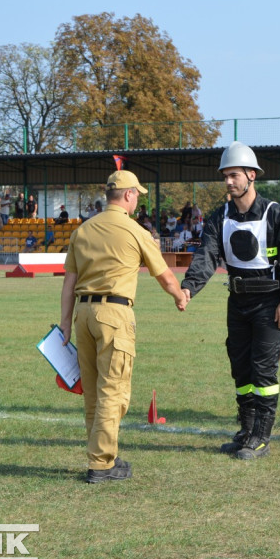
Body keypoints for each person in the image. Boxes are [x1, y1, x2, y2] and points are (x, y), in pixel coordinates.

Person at [59, 170, 188, 484]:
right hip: (115, 314)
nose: (137, 201)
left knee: (92, 392)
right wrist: (180, 296)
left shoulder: (83, 230)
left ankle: (102, 456)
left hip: (83, 316)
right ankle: (101, 464)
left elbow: (69, 280)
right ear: (129, 195)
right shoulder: (135, 231)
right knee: (113, 392)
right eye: (137, 196)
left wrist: (65, 322)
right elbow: (164, 274)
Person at [181, 142, 280, 460]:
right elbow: (206, 254)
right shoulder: (219, 216)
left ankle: (261, 437)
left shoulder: (276, 214)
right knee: (240, 368)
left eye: (234, 175)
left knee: (263, 371)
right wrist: (189, 288)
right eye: (225, 176)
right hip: (237, 302)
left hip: (269, 304)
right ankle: (246, 431)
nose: (228, 182)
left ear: (251, 175)